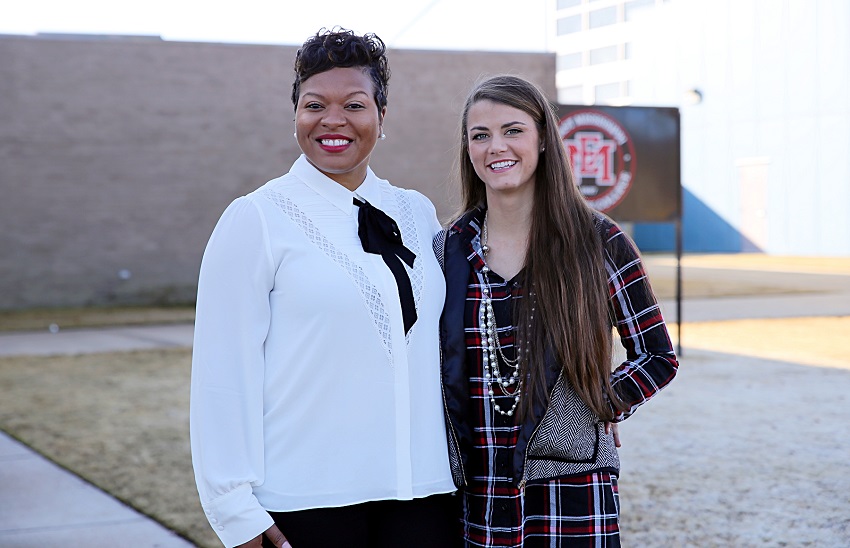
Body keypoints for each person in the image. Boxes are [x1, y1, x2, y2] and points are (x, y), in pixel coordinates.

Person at [190, 28, 457, 548]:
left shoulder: (416, 211)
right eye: (314, 104)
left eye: (354, 104)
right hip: (307, 501)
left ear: (382, 116)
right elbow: (222, 373)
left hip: (423, 495)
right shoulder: (256, 218)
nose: (332, 120)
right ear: (296, 115)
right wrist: (233, 507)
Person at [436, 74, 679, 547]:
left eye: (513, 130)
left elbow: (657, 357)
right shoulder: (446, 250)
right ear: (467, 149)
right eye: (479, 135)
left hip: (573, 495)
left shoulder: (599, 242)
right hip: (477, 500)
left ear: (544, 137)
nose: (495, 147)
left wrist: (595, 406)